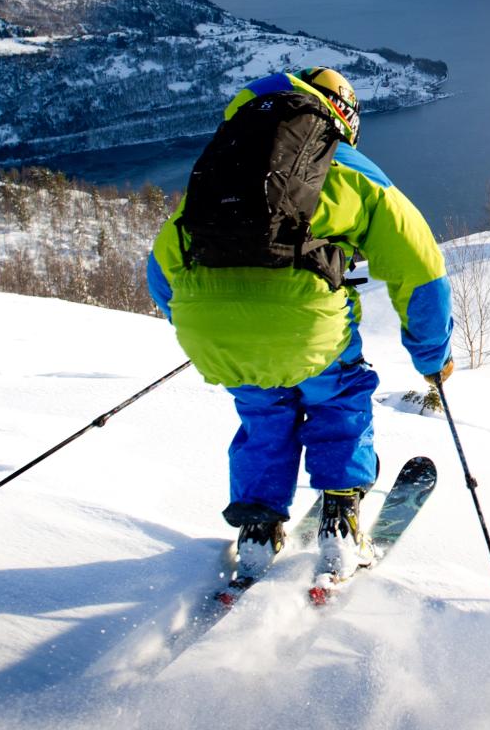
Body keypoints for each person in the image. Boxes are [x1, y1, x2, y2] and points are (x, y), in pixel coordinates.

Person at [145, 67, 452, 579]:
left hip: (212, 329)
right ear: (344, 118)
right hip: (308, 329)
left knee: (263, 413)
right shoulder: (351, 170)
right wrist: (432, 356)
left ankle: (258, 529)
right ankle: (339, 518)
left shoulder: (222, 166)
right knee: (338, 400)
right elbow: (420, 270)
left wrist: (212, 324)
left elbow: (162, 269)